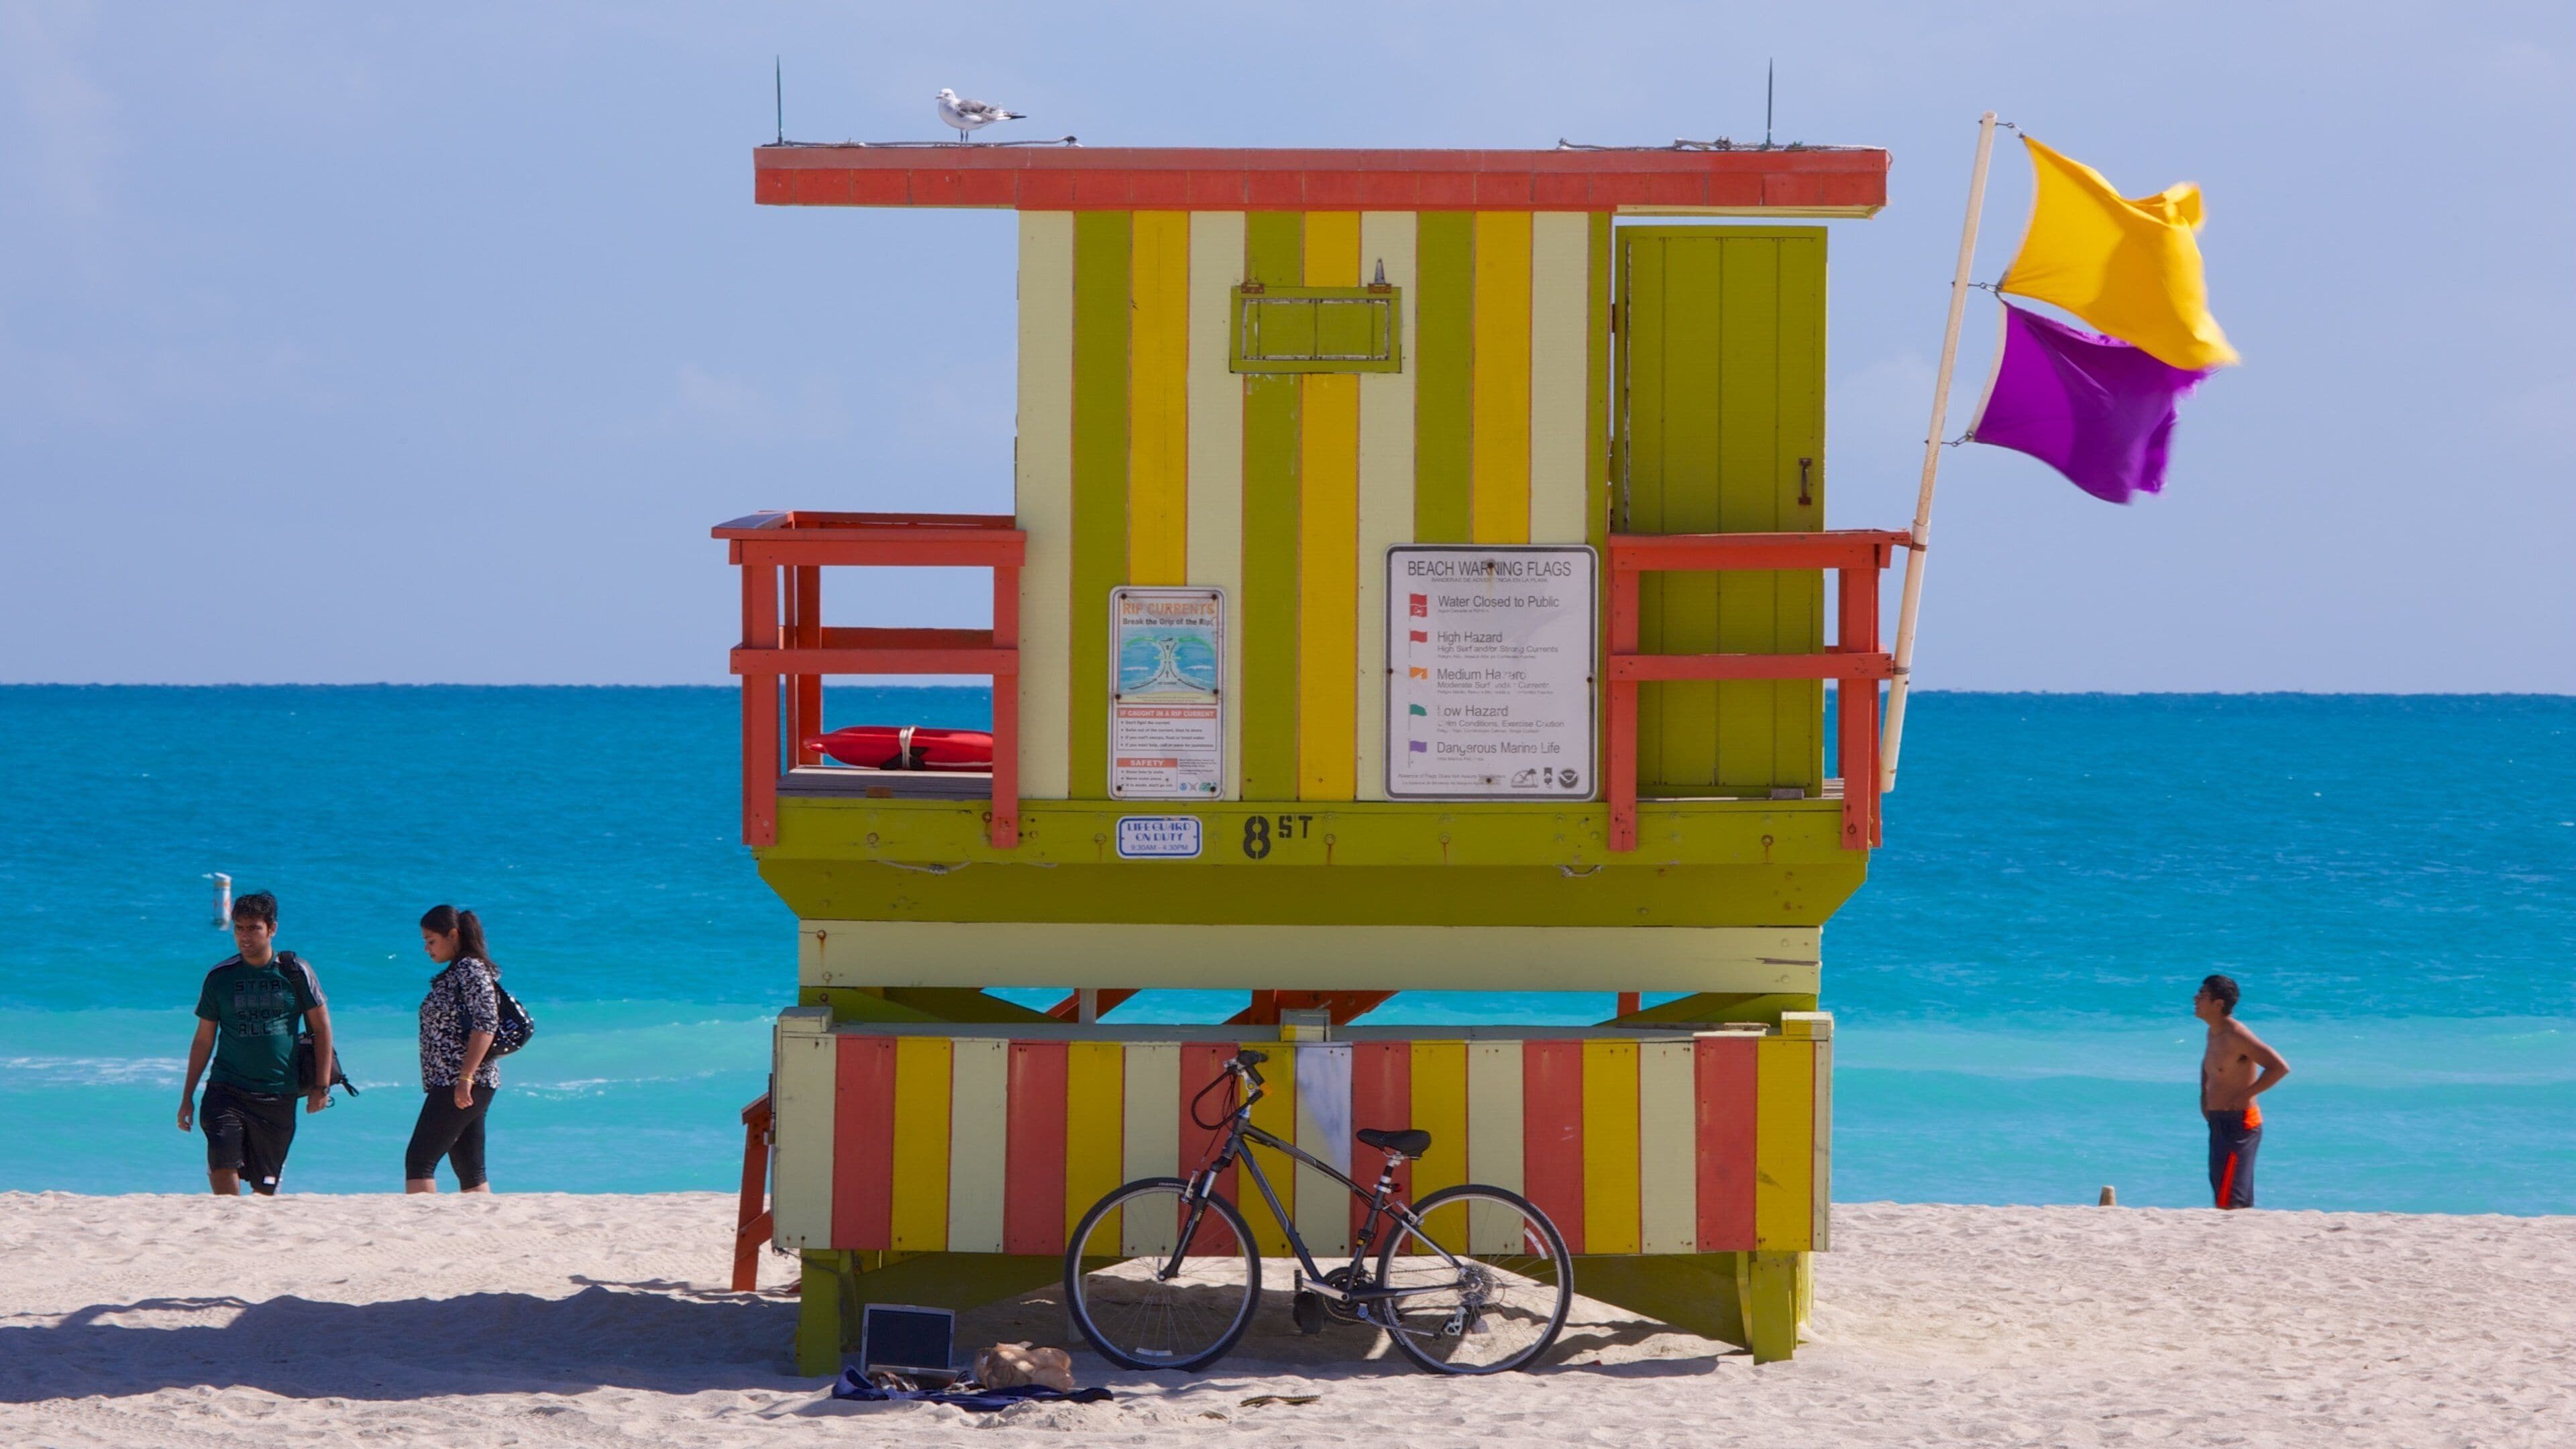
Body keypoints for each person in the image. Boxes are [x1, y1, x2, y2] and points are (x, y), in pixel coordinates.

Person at [176, 890, 334, 1195]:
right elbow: (203, 1040)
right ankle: (230, 1230)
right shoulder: (220, 977)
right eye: (239, 928)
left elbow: (322, 1028)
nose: (245, 936)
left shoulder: (296, 971)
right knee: (223, 1165)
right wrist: (187, 1097)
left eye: (254, 928)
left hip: (277, 1095)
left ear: (271, 929)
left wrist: (321, 1086)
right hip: (226, 1089)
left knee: (265, 1191)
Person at [407, 904, 504, 1193]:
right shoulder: (459, 971)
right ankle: (482, 1231)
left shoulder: (470, 968)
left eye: (431, 941)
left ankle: (422, 1229)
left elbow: (486, 1024)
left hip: (460, 1081)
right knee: (470, 1168)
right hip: (459, 1081)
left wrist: (466, 1078)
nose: (426, 948)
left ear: (453, 935)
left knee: (420, 1159)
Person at [2195, 973, 2290, 1210]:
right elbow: (2208, 1065)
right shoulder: (2213, 1032)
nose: (2195, 998)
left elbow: (2279, 1067)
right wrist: (2204, 1096)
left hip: (2240, 1124)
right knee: (2223, 1193)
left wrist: (2245, 1094)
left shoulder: (2236, 1035)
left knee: (2232, 1199)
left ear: (2218, 1004)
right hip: (2218, 1121)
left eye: (2203, 995)